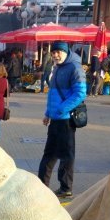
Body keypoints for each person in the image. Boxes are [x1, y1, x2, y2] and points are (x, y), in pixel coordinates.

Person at [37, 41, 87, 198]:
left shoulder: (75, 68)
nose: (55, 55)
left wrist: (61, 109)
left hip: (65, 120)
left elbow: (80, 93)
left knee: (66, 155)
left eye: (59, 52)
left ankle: (66, 188)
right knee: (49, 153)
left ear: (66, 52)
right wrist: (47, 113)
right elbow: (52, 94)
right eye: (53, 52)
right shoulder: (57, 68)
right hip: (55, 119)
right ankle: (41, 185)